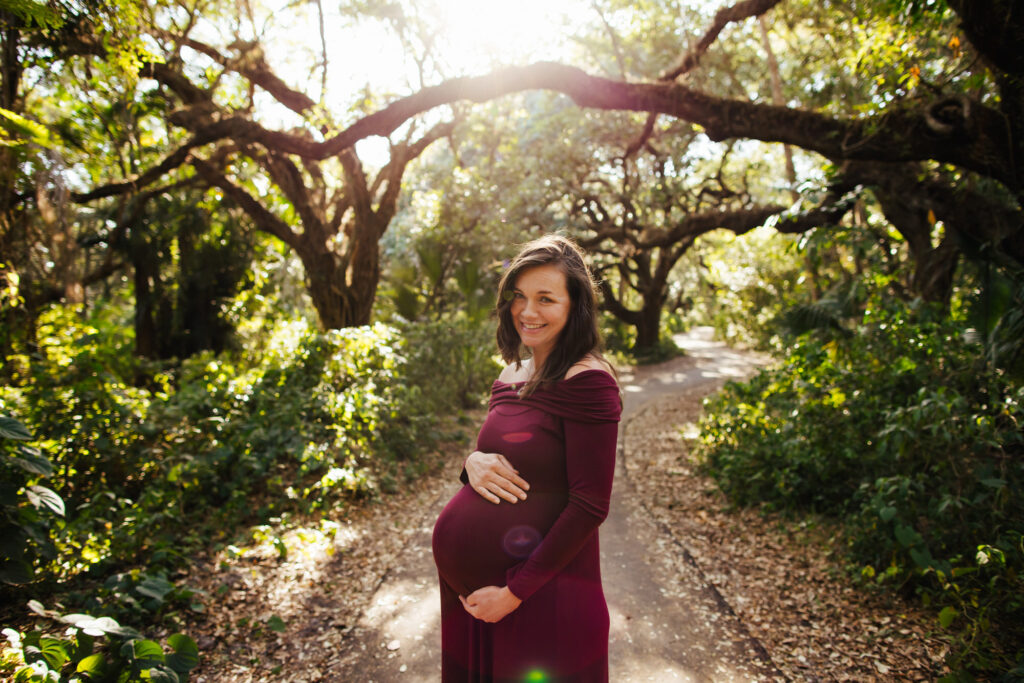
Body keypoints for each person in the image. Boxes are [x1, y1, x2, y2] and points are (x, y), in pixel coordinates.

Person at [432, 234, 622, 682]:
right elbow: (502, 452)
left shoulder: (589, 381)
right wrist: (471, 462)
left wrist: (514, 593)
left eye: (545, 299)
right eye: (519, 296)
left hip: (539, 595)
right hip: (475, 600)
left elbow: (590, 504)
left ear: (575, 306)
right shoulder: (511, 373)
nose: (527, 311)